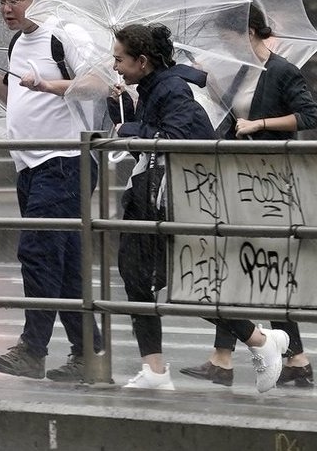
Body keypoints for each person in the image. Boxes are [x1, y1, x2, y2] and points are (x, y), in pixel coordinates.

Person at [111, 22, 289, 392]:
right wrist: (125, 115)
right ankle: (156, 369)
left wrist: (130, 130)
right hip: (154, 198)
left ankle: (260, 340)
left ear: (142, 61)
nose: (114, 66)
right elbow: (148, 141)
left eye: (119, 59)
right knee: (137, 275)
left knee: (184, 283)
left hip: (172, 200)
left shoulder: (172, 89)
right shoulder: (151, 87)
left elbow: (176, 138)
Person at [0, 0, 103, 383]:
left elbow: (98, 83)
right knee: (67, 263)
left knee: (38, 252)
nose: (5, 8)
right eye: (1, 1)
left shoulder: (64, 34)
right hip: (31, 166)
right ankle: (89, 351)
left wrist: (48, 86)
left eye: (14, 0)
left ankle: (32, 349)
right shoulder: (18, 42)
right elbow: (13, 98)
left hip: (63, 161)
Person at [179, 4, 317, 388]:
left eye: (230, 38)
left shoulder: (282, 70)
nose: (227, 46)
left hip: (269, 183)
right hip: (241, 179)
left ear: (250, 32)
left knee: (252, 269)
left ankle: (238, 360)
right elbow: (232, 111)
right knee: (248, 270)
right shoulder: (244, 71)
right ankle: (286, 360)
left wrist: (260, 124)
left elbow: (309, 115)